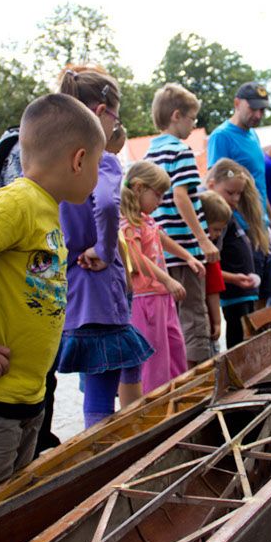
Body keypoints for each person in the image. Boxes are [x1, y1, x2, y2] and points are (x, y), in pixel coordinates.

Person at [0, 94, 105, 503]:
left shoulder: (47, 209)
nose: (97, 177)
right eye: (97, 165)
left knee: (12, 509)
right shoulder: (18, 201)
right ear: (78, 160)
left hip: (25, 400)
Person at [57, 65, 153, 428]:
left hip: (72, 286)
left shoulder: (58, 163)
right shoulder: (103, 160)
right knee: (101, 390)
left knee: (97, 380)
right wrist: (105, 248)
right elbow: (110, 205)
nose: (117, 125)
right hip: (100, 286)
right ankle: (107, 457)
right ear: (100, 112)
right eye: (117, 116)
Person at [145, 84, 213, 367]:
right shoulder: (180, 151)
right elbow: (181, 196)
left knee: (174, 318)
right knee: (195, 316)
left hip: (162, 250)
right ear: (176, 115)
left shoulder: (150, 153)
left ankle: (178, 372)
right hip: (185, 247)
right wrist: (203, 240)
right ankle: (202, 377)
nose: (193, 125)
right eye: (191, 118)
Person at [120, 160, 199, 394]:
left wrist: (188, 257)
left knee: (175, 348)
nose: (161, 201)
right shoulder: (127, 223)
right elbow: (135, 258)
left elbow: (162, 239)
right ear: (139, 188)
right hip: (145, 299)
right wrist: (166, 279)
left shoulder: (147, 220)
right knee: (156, 358)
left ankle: (178, 393)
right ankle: (157, 401)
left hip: (161, 297)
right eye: (158, 194)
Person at [207, 83, 271, 303]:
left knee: (266, 294)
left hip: (261, 225)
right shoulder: (222, 136)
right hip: (240, 228)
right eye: (253, 109)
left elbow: (257, 181)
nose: (258, 115)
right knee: (248, 298)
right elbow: (215, 183)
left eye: (262, 110)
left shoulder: (253, 136)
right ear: (237, 103)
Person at [207, 159, 267, 347]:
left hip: (244, 289)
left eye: (238, 194)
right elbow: (210, 264)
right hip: (232, 292)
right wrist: (233, 278)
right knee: (237, 336)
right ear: (212, 186)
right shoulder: (214, 218)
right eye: (229, 193)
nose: (235, 199)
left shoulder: (228, 215)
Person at [199, 190, 232, 352]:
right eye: (216, 229)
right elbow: (213, 291)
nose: (218, 234)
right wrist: (218, 322)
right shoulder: (210, 254)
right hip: (207, 321)